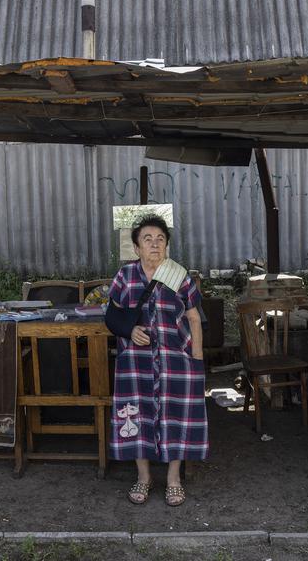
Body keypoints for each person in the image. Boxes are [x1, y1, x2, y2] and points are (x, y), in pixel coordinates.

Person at [108, 214, 206, 507]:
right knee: (136, 415)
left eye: (160, 239)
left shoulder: (180, 276)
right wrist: (130, 329)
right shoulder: (125, 276)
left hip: (177, 359)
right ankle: (144, 477)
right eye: (147, 239)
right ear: (136, 247)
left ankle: (174, 479)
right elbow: (111, 315)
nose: (154, 244)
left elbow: (194, 317)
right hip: (134, 362)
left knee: (177, 416)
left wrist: (198, 360)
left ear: (167, 245)